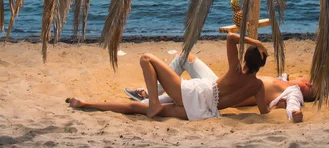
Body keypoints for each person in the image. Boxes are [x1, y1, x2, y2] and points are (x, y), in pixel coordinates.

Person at [66, 32, 270, 121]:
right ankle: (84, 103)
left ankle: (152, 101)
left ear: (244, 58)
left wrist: (258, 44)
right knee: (136, 108)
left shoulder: (235, 70)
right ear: (261, 65)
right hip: (204, 112)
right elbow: (263, 112)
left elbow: (231, 37)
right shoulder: (257, 86)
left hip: (193, 94)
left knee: (146, 58)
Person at [124, 37, 315, 123]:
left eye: (309, 87)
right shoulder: (282, 79)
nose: (307, 82)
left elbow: (292, 104)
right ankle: (151, 96)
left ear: (305, 90)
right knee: (185, 58)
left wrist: (293, 112)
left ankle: (149, 96)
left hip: (219, 91)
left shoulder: (292, 92)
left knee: (184, 61)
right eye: (308, 80)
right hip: (217, 87)